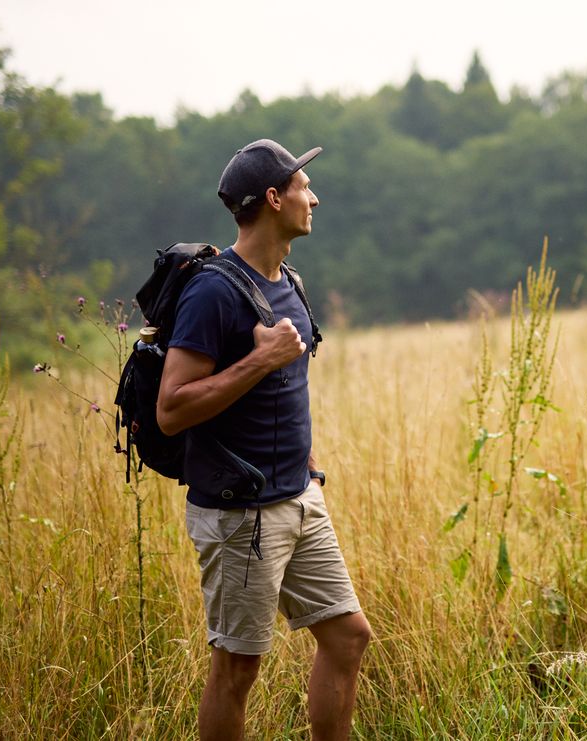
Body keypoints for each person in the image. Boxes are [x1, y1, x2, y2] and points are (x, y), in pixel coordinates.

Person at [157, 139, 371, 741]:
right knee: (238, 667)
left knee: (348, 635)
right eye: (304, 187)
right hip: (239, 514)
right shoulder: (213, 291)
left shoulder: (289, 282)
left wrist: (305, 463)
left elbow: (287, 387)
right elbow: (171, 410)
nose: (315, 197)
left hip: (299, 499)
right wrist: (259, 359)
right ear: (274, 199)